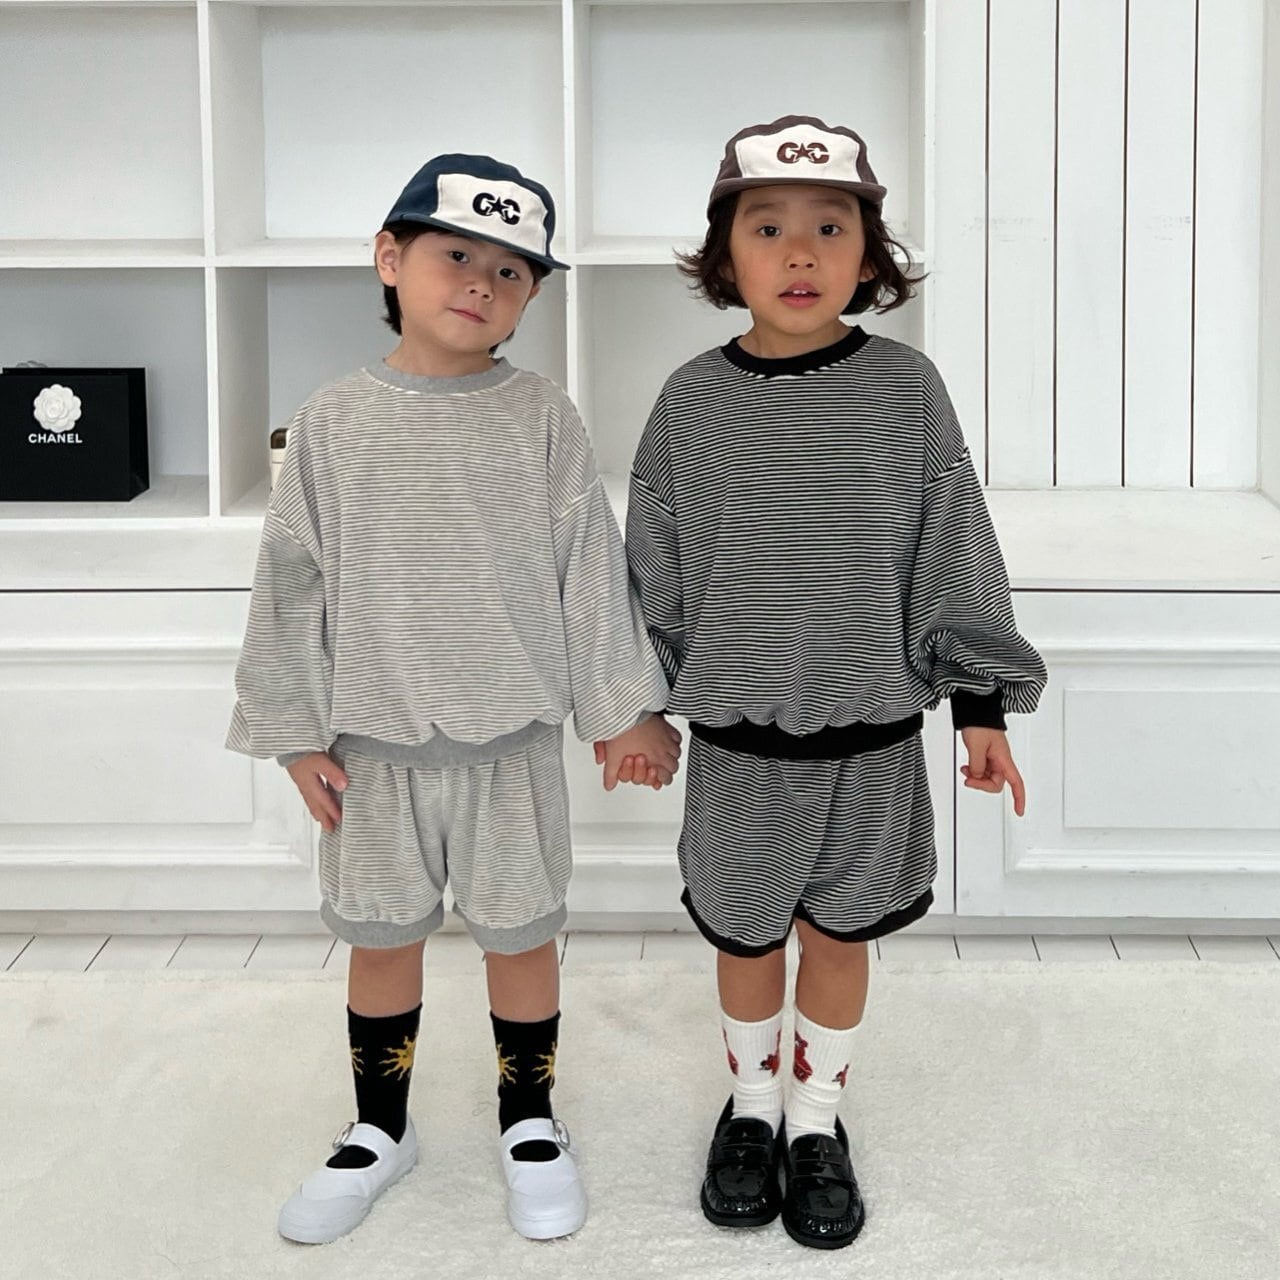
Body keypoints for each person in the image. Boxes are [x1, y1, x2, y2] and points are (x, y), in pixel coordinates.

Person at [226, 152, 679, 1246]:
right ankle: (379, 1127)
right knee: (381, 939)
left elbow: (585, 564)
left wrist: (622, 708)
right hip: (371, 750)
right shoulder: (330, 422)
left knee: (519, 938)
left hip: (510, 745)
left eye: (512, 271)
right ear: (391, 258)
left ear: (531, 297)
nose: (481, 281)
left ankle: (529, 1118)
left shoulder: (541, 416)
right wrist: (294, 734)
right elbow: (291, 582)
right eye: (456, 254)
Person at [619, 116, 1048, 1250]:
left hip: (870, 740)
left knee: (841, 935)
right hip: (738, 748)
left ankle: (816, 1120)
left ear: (870, 255)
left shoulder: (907, 391)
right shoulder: (689, 403)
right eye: (768, 228)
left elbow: (952, 542)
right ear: (726, 255)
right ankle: (751, 1105)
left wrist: (981, 705)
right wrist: (639, 701)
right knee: (745, 938)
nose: (800, 252)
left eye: (830, 227)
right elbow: (654, 565)